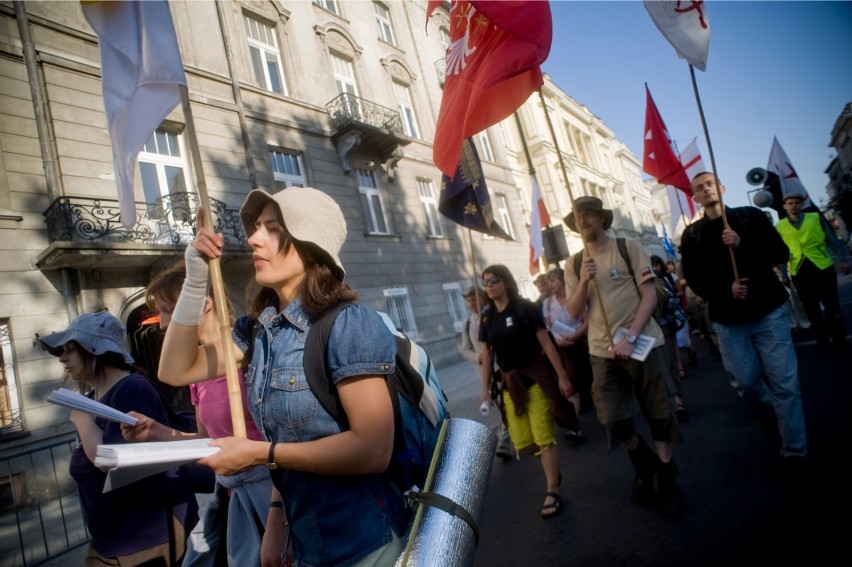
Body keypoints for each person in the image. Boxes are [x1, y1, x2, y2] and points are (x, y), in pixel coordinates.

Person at [157, 187, 407, 567]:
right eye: (256, 227)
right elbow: (175, 369)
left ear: (311, 246)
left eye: (272, 228)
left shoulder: (350, 324)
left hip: (367, 547)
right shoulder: (258, 331)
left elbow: (373, 449)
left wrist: (259, 453)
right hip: (306, 548)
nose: (254, 238)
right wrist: (194, 279)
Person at [121, 262, 281, 567]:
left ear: (204, 304)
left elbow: (286, 436)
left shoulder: (249, 354)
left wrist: (277, 510)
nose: (164, 324)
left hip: (275, 499)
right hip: (233, 497)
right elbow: (207, 439)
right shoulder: (195, 372)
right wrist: (155, 431)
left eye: (170, 310)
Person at [39, 311, 198, 566]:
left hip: (145, 538)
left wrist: (81, 418)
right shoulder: (94, 397)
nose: (63, 358)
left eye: (70, 349)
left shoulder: (132, 390)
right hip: (111, 539)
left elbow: (111, 460)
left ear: (95, 350)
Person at [563, 196, 684, 516]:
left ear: (602, 219)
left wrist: (631, 336)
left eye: (588, 215)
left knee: (659, 411)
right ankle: (643, 462)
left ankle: (667, 476)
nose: (583, 221)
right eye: (578, 217)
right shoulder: (574, 263)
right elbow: (574, 312)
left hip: (643, 343)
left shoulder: (627, 247)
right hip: (602, 351)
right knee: (612, 418)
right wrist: (584, 281)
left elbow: (648, 295)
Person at [681, 172, 807, 470]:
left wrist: (742, 243)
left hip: (769, 312)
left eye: (710, 184)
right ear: (695, 197)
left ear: (722, 188)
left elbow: (780, 253)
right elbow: (695, 280)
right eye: (699, 188)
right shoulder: (692, 235)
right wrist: (725, 290)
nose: (706, 189)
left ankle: (795, 450)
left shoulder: (751, 217)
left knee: (784, 383)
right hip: (729, 321)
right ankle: (770, 412)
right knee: (747, 384)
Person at [478, 264, 574, 519]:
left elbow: (545, 341)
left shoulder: (525, 308)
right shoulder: (487, 318)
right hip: (510, 386)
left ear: (506, 282)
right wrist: (485, 390)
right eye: (484, 281)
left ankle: (553, 488)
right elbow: (487, 357)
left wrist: (562, 376)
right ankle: (552, 468)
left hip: (535, 379)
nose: (488, 284)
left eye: (494, 279)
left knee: (543, 436)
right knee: (523, 442)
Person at [775, 192, 851, 349]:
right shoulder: (780, 226)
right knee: (810, 307)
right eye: (790, 203)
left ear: (802, 204)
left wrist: (843, 259)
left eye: (797, 202)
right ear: (785, 206)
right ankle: (821, 338)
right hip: (799, 269)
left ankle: (838, 337)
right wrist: (784, 274)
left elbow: (832, 239)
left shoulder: (815, 218)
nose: (794, 205)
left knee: (831, 304)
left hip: (822, 266)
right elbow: (781, 253)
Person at [459, 286, 513, 461]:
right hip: (486, 373)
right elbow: (465, 349)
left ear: (483, 298)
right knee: (502, 406)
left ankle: (504, 442)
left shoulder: (494, 314)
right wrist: (479, 357)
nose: (471, 303)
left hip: (504, 368)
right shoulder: (467, 324)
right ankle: (510, 438)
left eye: (474, 298)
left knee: (509, 404)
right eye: (468, 300)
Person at [545, 267, 594, 419]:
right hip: (561, 346)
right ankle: (573, 412)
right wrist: (558, 341)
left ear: (562, 280)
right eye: (549, 282)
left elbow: (587, 321)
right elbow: (548, 327)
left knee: (586, 372)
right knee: (569, 375)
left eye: (553, 280)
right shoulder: (547, 304)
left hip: (580, 342)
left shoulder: (574, 297)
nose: (550, 285)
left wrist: (574, 335)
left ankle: (587, 401)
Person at [650, 255, 689, 421]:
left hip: (664, 327)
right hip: (646, 331)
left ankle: (677, 400)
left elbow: (672, 299)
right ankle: (666, 401)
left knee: (669, 363)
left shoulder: (655, 278)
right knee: (657, 368)